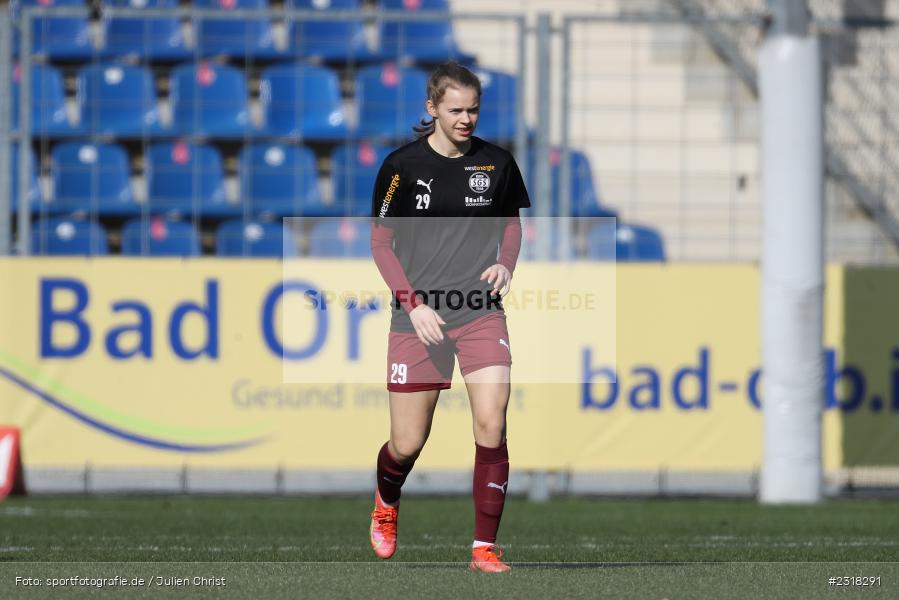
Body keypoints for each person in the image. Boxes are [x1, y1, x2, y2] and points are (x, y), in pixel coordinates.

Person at [368, 61, 530, 573]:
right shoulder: (401, 167)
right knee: (407, 443)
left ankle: (484, 547)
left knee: (491, 421)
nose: (466, 119)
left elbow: (511, 228)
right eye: (455, 109)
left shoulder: (498, 164)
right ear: (432, 108)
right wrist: (413, 306)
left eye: (473, 109)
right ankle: (386, 499)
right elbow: (381, 243)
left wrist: (505, 264)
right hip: (418, 320)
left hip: (480, 312)